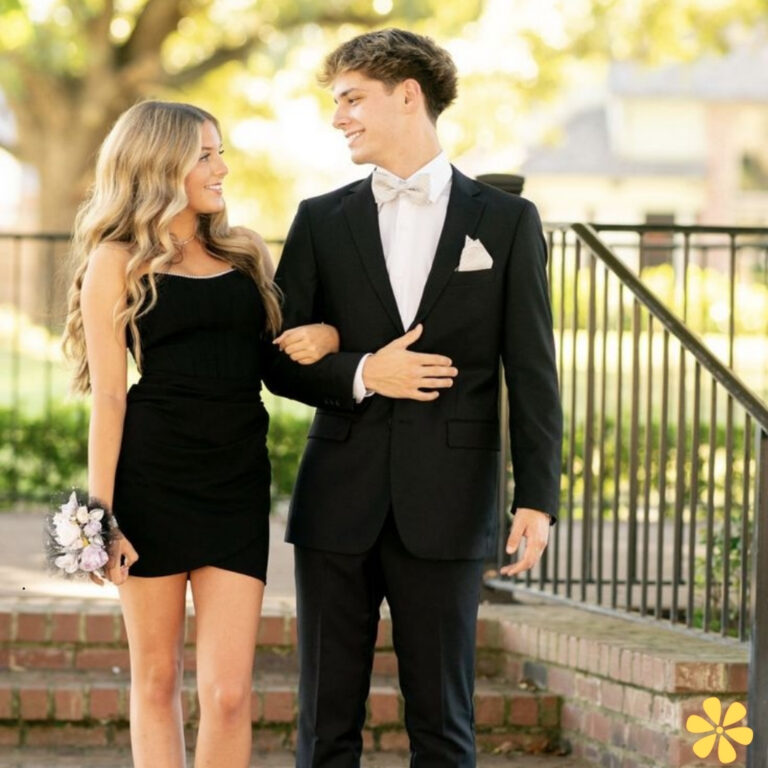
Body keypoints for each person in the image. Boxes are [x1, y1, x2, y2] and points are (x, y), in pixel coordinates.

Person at [271, 28, 563, 767]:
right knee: (324, 724)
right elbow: (277, 362)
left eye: (352, 99)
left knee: (444, 723)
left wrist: (537, 498)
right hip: (338, 499)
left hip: (451, 500)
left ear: (409, 97)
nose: (339, 117)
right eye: (336, 102)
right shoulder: (319, 219)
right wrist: (364, 371)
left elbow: (532, 368)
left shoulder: (505, 222)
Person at [61, 100, 342, 768]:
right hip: (150, 482)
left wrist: (329, 336)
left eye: (220, 151)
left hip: (236, 484)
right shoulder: (116, 259)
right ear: (160, 165)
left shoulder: (244, 252)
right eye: (205, 154)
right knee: (156, 680)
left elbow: (274, 359)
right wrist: (99, 522)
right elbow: (107, 396)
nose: (222, 167)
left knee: (227, 692)